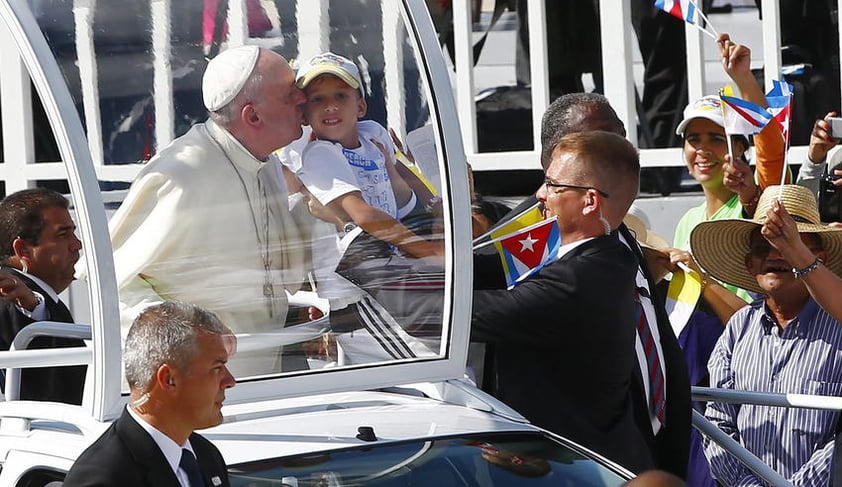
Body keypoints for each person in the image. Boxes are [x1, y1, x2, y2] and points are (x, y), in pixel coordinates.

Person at [476, 92, 691, 478]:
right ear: (556, 157)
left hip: (641, 446)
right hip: (566, 462)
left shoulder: (617, 228)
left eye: (620, 134)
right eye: (599, 138)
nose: (618, 147)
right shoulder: (528, 232)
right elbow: (464, 305)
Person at [109, 45, 310, 374]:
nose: (304, 98)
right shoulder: (182, 172)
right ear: (253, 116)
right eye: (290, 93)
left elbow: (284, 277)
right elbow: (112, 283)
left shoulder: (269, 165)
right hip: (186, 387)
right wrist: (185, 330)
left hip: (261, 383)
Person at [690, 184, 842, 486]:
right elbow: (718, 423)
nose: (775, 255)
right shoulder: (737, 329)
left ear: (818, 259)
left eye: (786, 244)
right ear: (750, 264)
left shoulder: (838, 328)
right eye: (763, 247)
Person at [287, 51, 442, 260]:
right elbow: (363, 214)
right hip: (352, 278)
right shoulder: (320, 154)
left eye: (341, 95)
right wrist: (429, 252)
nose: (330, 106)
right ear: (304, 115)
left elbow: (400, 170)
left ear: (360, 107)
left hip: (389, 254)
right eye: (318, 99)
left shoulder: (372, 133)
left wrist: (435, 204)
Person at [63, 301, 235, 486]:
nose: (230, 381)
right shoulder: (102, 478)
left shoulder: (206, 455)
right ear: (169, 379)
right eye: (217, 368)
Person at [672, 34, 789, 304]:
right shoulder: (687, 220)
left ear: (739, 148)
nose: (702, 150)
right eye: (693, 139)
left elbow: (770, 148)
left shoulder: (757, 201)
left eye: (716, 139)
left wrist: (743, 78)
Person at [0, 188, 85, 404]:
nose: (77, 245)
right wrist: (31, 307)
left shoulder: (43, 299)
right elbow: (38, 388)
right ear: (24, 250)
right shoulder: (10, 296)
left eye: (73, 233)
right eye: (62, 235)